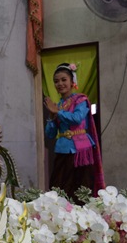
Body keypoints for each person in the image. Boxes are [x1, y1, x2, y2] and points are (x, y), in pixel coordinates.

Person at [43, 62, 105, 200]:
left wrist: (58, 113)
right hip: (63, 149)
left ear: (72, 81)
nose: (60, 84)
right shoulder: (58, 105)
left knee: (82, 188)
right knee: (58, 187)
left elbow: (77, 119)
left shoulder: (81, 100)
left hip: (81, 151)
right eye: (56, 81)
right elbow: (50, 134)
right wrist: (51, 117)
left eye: (63, 80)